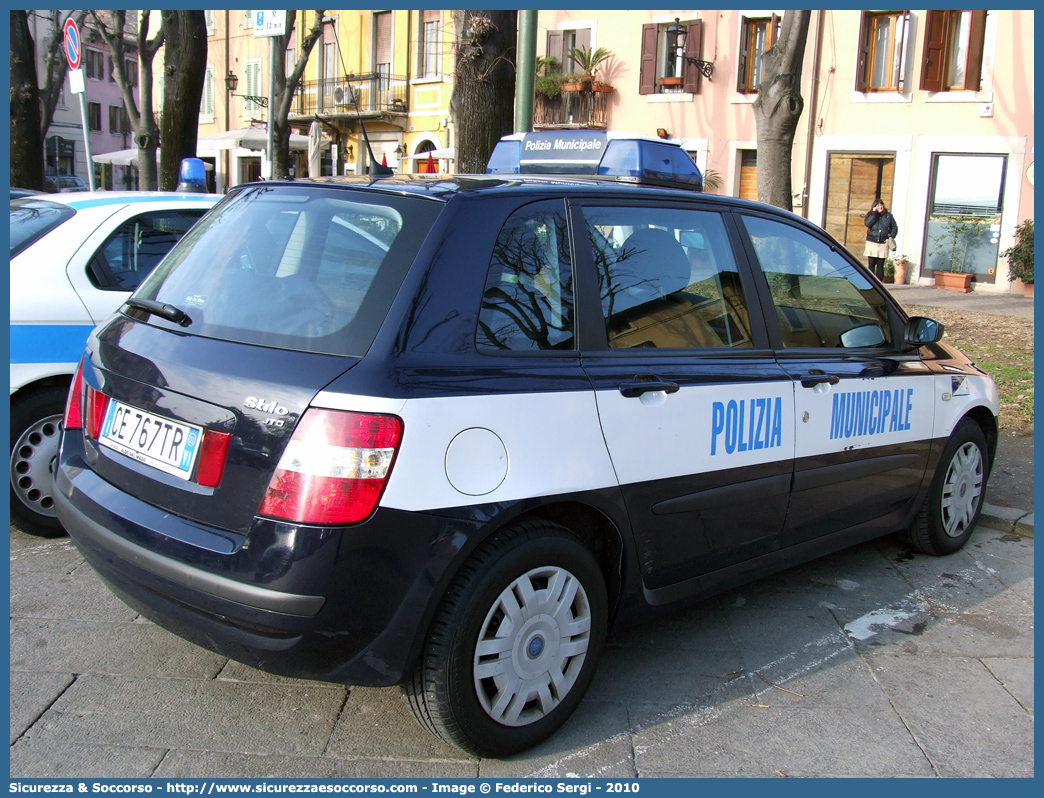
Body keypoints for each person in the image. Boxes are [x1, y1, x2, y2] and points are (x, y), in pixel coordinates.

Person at [864, 198, 898, 281]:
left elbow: (894, 227)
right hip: (872, 242)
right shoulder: (871, 215)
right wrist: (875, 213)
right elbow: (868, 223)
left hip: (883, 243)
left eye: (881, 205)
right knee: (871, 264)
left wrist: (890, 237)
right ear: (875, 207)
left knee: (880, 265)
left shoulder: (888, 216)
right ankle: (870, 282)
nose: (880, 207)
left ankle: (879, 283)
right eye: (878, 205)